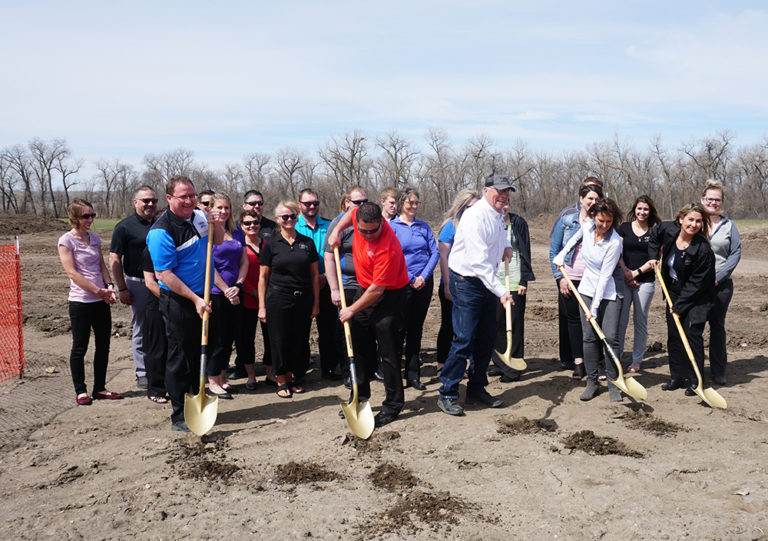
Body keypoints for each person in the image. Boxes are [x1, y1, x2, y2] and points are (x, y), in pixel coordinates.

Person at [147, 175, 224, 432]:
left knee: (198, 352)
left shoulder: (200, 217)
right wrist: (194, 299)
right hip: (179, 300)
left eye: (192, 195)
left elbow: (219, 241)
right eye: (184, 197)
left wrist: (217, 223)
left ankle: (196, 400)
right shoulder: (161, 231)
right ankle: (180, 414)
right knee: (180, 358)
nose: (190, 201)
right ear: (169, 198)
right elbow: (164, 275)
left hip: (202, 296)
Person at [436, 174, 515, 416]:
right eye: (499, 191)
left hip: (485, 282)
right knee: (464, 339)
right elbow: (479, 263)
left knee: (486, 339)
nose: (503, 196)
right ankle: (448, 392)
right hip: (467, 282)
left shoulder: (497, 214)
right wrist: (502, 290)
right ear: (486, 190)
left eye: (507, 192)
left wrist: (506, 246)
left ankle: (476, 389)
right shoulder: (474, 217)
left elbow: (500, 235)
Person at [326, 202, 409, 428]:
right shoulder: (359, 216)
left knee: (388, 349)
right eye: (364, 231)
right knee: (357, 343)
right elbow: (348, 215)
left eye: (374, 230)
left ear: (382, 222)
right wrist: (335, 232)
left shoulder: (387, 247)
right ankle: (360, 396)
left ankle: (393, 404)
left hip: (390, 294)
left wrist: (351, 309)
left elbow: (377, 290)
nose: (369, 235)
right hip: (365, 289)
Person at [554, 198, 624, 402]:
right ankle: (592, 382)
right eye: (601, 220)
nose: (604, 226)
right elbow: (573, 240)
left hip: (609, 291)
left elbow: (604, 276)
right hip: (586, 287)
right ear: (594, 217)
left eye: (609, 222)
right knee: (589, 337)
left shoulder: (614, 242)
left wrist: (593, 307)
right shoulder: (587, 227)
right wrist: (561, 256)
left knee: (610, 337)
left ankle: (614, 383)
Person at [58, 199, 122, 406]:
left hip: (100, 300)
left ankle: (100, 388)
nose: (90, 219)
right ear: (74, 218)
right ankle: (81, 391)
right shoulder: (66, 241)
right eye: (86, 216)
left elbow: (101, 265)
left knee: (103, 345)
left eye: (92, 215)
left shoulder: (94, 238)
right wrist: (98, 291)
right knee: (80, 346)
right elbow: (72, 273)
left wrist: (109, 285)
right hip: (81, 301)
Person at [648, 203, 715, 395]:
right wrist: (653, 256)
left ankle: (696, 381)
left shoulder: (703, 249)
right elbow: (654, 237)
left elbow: (697, 283)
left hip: (698, 296)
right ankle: (676, 377)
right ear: (681, 220)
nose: (694, 224)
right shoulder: (669, 230)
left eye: (698, 221)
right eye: (691, 220)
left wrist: (679, 306)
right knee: (674, 336)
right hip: (674, 291)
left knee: (692, 333)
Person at [258, 201, 320, 398]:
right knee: (279, 340)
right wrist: (262, 306)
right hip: (277, 298)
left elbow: (314, 276)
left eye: (293, 216)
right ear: (278, 220)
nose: (289, 220)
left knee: (300, 340)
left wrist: (316, 302)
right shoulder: (271, 244)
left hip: (303, 298)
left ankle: (297, 377)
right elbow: (263, 278)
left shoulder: (307, 242)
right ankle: (282, 379)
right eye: (284, 217)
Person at [324, 186, 382, 387]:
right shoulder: (337, 224)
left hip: (370, 284)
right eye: (358, 202)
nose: (362, 206)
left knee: (371, 330)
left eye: (365, 201)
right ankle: (350, 371)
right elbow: (329, 257)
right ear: (347, 202)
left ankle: (372, 368)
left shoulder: (370, 222)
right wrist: (334, 288)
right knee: (349, 331)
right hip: (347, 284)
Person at [549, 183, 603, 380]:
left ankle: (595, 363)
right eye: (589, 198)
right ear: (581, 199)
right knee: (573, 320)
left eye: (597, 199)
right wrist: (560, 278)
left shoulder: (602, 222)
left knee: (593, 318)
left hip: (593, 279)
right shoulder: (566, 221)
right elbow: (554, 251)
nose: (593, 202)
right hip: (570, 278)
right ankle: (578, 362)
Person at [109, 185, 158, 390]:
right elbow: (115, 258)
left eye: (153, 201)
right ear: (135, 202)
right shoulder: (124, 227)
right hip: (137, 284)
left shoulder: (161, 224)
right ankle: (142, 372)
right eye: (145, 201)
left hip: (162, 282)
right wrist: (122, 288)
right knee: (141, 327)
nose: (150, 204)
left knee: (160, 328)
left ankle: (158, 369)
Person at [391, 187, 438, 390]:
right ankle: (394, 376)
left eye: (417, 203)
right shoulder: (392, 227)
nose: (414, 206)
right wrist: (410, 278)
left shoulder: (423, 226)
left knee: (415, 329)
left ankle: (413, 375)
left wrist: (423, 277)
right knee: (399, 329)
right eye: (410, 202)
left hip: (424, 284)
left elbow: (434, 252)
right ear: (402, 203)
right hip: (402, 284)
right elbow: (392, 256)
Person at [296, 188, 343, 381]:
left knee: (329, 329)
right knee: (301, 330)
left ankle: (329, 367)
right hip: (303, 285)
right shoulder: (293, 225)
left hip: (327, 282)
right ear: (300, 205)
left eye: (315, 203)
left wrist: (325, 276)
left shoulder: (330, 225)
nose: (312, 207)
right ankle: (301, 367)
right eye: (307, 203)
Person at [207, 192, 248, 399]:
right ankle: (213, 380)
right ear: (212, 208)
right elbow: (208, 265)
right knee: (217, 338)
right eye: (219, 208)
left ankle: (223, 378)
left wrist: (238, 285)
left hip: (235, 292)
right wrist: (225, 289)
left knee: (230, 336)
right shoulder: (209, 232)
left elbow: (244, 261)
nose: (223, 212)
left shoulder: (237, 232)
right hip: (216, 293)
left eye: (227, 208)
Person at [700, 179, 741, 385]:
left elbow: (735, 254)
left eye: (717, 200)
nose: (714, 203)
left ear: (722, 202)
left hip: (721, 286)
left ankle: (718, 371)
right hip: (697, 287)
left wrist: (718, 278)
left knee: (717, 327)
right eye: (710, 199)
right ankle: (695, 371)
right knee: (695, 327)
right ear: (702, 199)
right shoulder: (694, 222)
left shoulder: (729, 225)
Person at [489, 203, 535, 382]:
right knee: (496, 322)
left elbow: (526, 251)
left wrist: (524, 279)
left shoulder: (519, 223)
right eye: (500, 204)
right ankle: (500, 363)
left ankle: (513, 367)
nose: (504, 207)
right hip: (494, 280)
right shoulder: (490, 223)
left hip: (514, 279)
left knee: (514, 323)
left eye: (507, 203)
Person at [436, 189, 478, 377]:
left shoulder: (477, 226)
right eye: (469, 207)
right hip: (452, 282)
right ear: (461, 207)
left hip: (470, 284)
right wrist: (447, 284)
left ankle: (462, 365)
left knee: (466, 328)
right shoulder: (451, 226)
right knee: (449, 325)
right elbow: (443, 257)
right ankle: (442, 364)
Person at [616, 195, 661, 373]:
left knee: (640, 320)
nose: (642, 212)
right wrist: (626, 272)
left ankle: (636, 360)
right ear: (634, 209)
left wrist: (635, 273)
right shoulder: (624, 229)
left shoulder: (654, 231)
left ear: (650, 211)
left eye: (646, 209)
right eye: (639, 208)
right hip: (623, 279)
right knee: (621, 320)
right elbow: (616, 253)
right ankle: (617, 356)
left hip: (645, 282)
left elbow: (655, 259)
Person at [238, 210, 271, 390]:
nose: (252, 226)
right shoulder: (238, 246)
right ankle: (251, 376)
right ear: (241, 225)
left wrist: (266, 295)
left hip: (267, 300)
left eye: (255, 223)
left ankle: (270, 372)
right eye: (247, 223)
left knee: (270, 338)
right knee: (246, 339)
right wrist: (254, 293)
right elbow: (238, 273)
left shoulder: (268, 244)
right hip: (247, 300)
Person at [141, 246, 168, 403]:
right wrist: (169, 302)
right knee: (158, 347)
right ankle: (156, 388)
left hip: (182, 301)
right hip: (158, 303)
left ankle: (175, 385)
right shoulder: (151, 250)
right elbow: (150, 282)